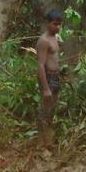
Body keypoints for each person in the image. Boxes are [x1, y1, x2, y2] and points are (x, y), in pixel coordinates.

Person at [36, 9, 63, 148]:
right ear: (48, 23)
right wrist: (46, 88)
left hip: (55, 76)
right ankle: (40, 145)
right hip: (48, 77)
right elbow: (40, 64)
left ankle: (48, 141)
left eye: (59, 24)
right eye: (54, 24)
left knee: (51, 111)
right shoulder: (44, 41)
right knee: (45, 112)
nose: (57, 27)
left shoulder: (55, 38)